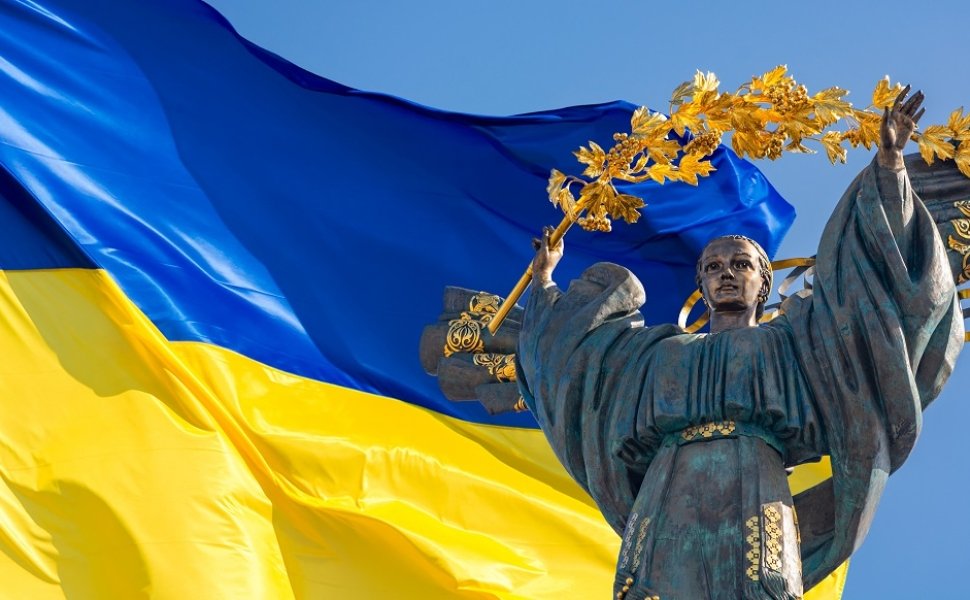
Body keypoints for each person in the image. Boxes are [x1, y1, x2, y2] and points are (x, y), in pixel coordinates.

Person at [517, 88, 963, 599]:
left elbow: (868, 297)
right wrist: (545, 285)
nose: (726, 275)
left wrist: (889, 169)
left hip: (755, 483)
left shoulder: (798, 343)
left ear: (764, 282)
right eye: (712, 268)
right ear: (701, 284)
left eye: (741, 265)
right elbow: (573, 363)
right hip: (668, 494)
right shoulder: (656, 353)